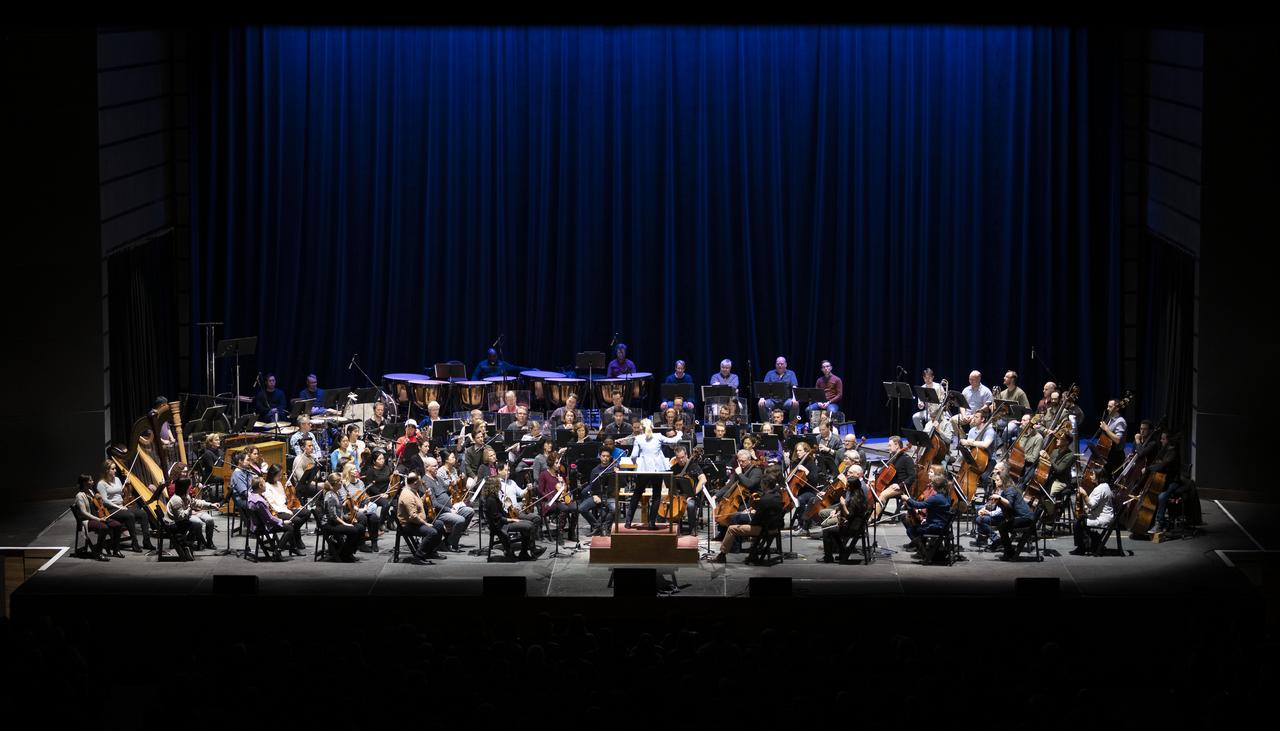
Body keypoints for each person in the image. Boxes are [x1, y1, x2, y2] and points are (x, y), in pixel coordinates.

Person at [713, 465, 785, 563]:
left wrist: (749, 519)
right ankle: (753, 553)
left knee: (732, 528)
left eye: (762, 484)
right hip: (774, 527)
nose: (761, 486)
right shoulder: (777, 495)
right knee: (739, 518)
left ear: (766, 485)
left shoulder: (764, 499)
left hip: (763, 529)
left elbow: (755, 521)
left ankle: (722, 555)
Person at [626, 419, 684, 530]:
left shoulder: (638, 438)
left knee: (636, 494)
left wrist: (636, 464)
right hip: (657, 470)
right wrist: (680, 433)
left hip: (643, 471)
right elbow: (673, 441)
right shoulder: (658, 436)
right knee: (656, 496)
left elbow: (633, 456)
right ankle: (652, 523)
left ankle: (628, 522)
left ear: (642, 428)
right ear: (652, 427)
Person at [97, 459, 154, 552]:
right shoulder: (101, 484)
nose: (115, 470)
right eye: (113, 469)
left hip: (122, 506)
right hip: (111, 509)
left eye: (115, 468)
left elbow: (121, 494)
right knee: (130, 516)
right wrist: (118, 507)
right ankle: (135, 543)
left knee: (143, 514)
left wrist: (127, 485)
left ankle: (146, 541)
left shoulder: (118, 479)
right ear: (107, 470)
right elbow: (105, 501)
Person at [819, 463, 869, 563]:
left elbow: (849, 515)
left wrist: (843, 505)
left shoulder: (856, 498)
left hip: (852, 527)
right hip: (853, 524)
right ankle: (842, 552)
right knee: (830, 529)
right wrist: (838, 509)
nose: (846, 488)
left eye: (847, 486)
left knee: (827, 531)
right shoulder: (857, 494)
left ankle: (828, 557)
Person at [423, 457, 474, 552]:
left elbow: (448, 491)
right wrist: (449, 510)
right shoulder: (426, 481)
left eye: (437, 465)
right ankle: (452, 544)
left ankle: (449, 540)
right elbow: (434, 503)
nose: (437, 468)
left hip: (450, 508)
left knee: (469, 511)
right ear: (427, 467)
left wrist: (457, 484)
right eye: (434, 466)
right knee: (460, 519)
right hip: (439, 513)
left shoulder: (438, 478)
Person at [480, 476, 538, 561]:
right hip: (500, 525)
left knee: (530, 524)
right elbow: (497, 518)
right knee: (529, 526)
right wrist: (512, 520)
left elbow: (499, 513)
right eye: (498, 484)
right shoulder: (491, 500)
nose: (500, 486)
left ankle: (524, 552)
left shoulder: (494, 497)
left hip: (503, 522)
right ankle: (530, 551)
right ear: (494, 486)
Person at [396, 473, 446, 564]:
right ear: (415, 483)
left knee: (439, 524)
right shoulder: (407, 495)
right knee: (432, 532)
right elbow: (413, 516)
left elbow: (417, 504)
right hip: (408, 524)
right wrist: (425, 524)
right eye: (419, 482)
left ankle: (430, 552)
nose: (421, 484)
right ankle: (418, 557)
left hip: (416, 522)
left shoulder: (413, 490)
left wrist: (425, 496)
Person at [261, 464, 308, 556]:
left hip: (285, 508)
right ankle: (294, 543)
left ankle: (293, 539)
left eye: (281, 475)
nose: (280, 477)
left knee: (306, 513)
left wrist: (292, 504)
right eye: (278, 475)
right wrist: (287, 510)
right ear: (272, 474)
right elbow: (272, 504)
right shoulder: (267, 486)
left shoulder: (279, 484)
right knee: (297, 520)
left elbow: (283, 498)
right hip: (278, 511)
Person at [73, 474, 122, 560]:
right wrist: (98, 519)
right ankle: (98, 552)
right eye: (90, 480)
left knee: (117, 525)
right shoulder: (80, 496)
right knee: (104, 527)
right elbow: (84, 513)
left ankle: (116, 550)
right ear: (85, 483)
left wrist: (100, 500)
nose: (93, 482)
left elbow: (98, 506)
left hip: (99, 517)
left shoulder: (91, 492)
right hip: (88, 520)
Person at [1144, 431, 1183, 535]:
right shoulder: (1165, 450)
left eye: (1163, 439)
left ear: (1168, 440)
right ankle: (1149, 520)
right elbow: (1159, 463)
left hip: (1173, 482)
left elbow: (1162, 466)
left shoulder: (1173, 452)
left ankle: (1159, 523)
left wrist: (1148, 469)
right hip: (1165, 480)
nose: (1161, 441)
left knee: (1161, 497)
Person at [166, 476, 220, 551]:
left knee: (209, 520)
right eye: (189, 486)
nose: (190, 488)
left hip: (185, 518)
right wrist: (190, 508)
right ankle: (195, 543)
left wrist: (211, 505)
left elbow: (196, 503)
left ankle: (207, 542)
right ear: (184, 487)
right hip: (176, 523)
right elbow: (180, 517)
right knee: (198, 523)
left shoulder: (186, 496)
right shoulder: (176, 500)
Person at [1071, 466, 1115, 555]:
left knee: (1078, 522)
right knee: (1080, 519)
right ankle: (1093, 542)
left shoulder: (1101, 488)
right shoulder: (1103, 486)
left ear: (1099, 476)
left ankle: (1082, 547)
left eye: (1093, 474)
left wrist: (1084, 494)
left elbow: (1091, 504)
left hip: (1102, 518)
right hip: (1101, 516)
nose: (1091, 476)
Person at [320, 474, 361, 562]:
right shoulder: (330, 496)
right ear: (335, 483)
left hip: (336, 521)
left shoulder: (336, 493)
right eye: (340, 481)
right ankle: (344, 554)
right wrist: (345, 523)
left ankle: (348, 552)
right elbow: (333, 516)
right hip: (329, 524)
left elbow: (340, 509)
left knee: (360, 527)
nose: (342, 483)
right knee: (353, 530)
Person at [580, 447, 618, 536]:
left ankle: (605, 526)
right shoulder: (595, 470)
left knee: (615, 509)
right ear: (600, 457)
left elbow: (622, 483)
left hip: (609, 496)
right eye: (603, 456)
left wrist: (618, 474)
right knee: (582, 508)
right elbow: (591, 486)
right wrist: (594, 496)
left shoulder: (614, 468)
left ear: (610, 457)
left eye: (607, 456)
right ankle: (597, 526)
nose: (605, 458)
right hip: (597, 495)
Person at [757, 356, 799, 423]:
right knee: (761, 404)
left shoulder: (791, 373)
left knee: (796, 404)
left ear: (785, 364)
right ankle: (767, 424)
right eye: (778, 364)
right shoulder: (770, 373)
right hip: (772, 400)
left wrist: (794, 398)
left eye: (781, 364)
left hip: (786, 401)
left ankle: (792, 426)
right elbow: (764, 387)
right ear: (775, 364)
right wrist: (762, 398)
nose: (779, 365)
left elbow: (794, 387)